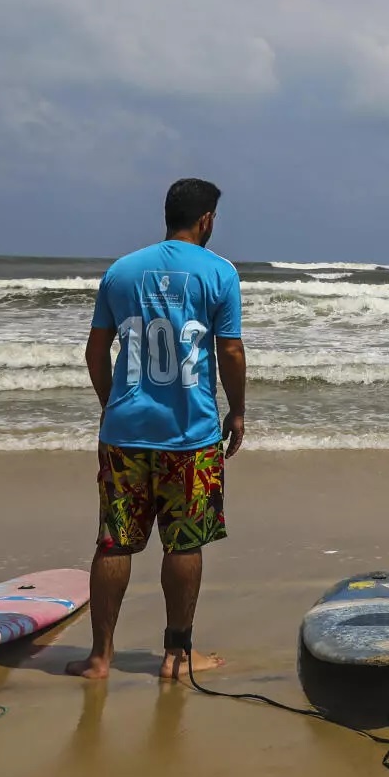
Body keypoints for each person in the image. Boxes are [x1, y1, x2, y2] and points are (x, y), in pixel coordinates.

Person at [66, 178, 246, 682]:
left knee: (114, 542)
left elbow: (94, 350)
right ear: (206, 219)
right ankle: (177, 657)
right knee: (184, 543)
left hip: (125, 432)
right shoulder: (219, 273)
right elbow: (229, 351)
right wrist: (237, 411)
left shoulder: (122, 271)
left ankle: (100, 658)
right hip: (190, 435)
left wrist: (112, 406)